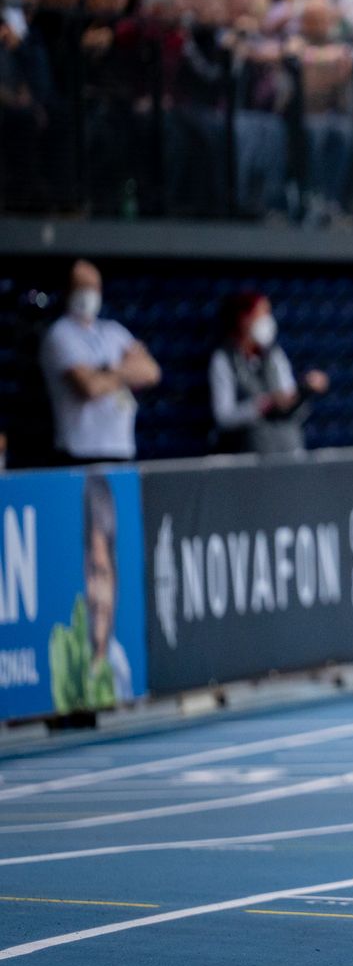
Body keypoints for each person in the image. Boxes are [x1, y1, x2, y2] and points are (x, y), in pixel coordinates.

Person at [40, 260, 162, 464]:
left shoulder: (113, 330)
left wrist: (107, 372)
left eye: (94, 286)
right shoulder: (60, 333)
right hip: (80, 453)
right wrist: (124, 370)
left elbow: (152, 372)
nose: (90, 292)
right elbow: (90, 387)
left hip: (121, 450)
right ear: (68, 290)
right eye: (83, 286)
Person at [49, 473, 133, 712]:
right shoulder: (64, 655)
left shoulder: (121, 667)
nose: (96, 594)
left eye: (103, 574)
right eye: (91, 573)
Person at [209, 290, 328, 454]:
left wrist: (304, 390)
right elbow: (224, 417)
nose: (267, 320)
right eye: (262, 313)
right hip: (250, 454)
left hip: (288, 447)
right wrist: (261, 405)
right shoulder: (223, 359)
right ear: (243, 318)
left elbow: (289, 398)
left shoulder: (274, 354)